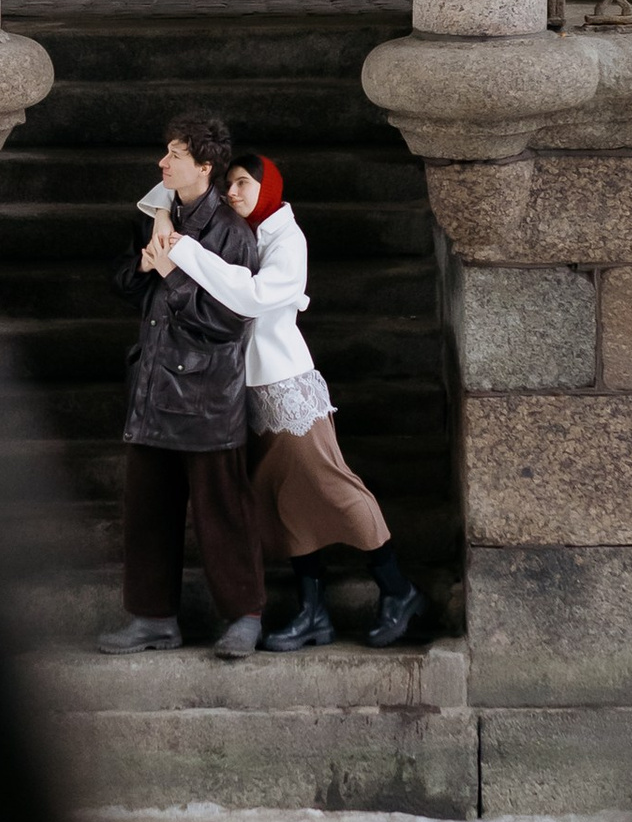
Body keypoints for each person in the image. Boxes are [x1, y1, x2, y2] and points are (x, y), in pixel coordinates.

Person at [150, 151, 427, 650]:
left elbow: (255, 297)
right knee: (283, 502)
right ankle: (312, 612)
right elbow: (160, 194)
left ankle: (398, 589)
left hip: (285, 385)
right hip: (243, 390)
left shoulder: (286, 237)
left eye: (243, 183)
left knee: (334, 488)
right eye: (229, 184)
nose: (233, 193)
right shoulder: (242, 233)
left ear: (268, 187)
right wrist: (166, 216)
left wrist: (184, 251)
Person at [98, 111, 267, 660]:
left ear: (206, 165)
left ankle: (244, 616)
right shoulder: (157, 216)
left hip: (207, 394)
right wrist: (148, 268)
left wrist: (172, 277)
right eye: (165, 152)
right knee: (148, 509)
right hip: (153, 387)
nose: (162, 162)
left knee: (223, 511)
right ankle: (152, 620)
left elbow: (228, 322)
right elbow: (123, 280)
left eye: (175, 154)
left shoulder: (232, 234)